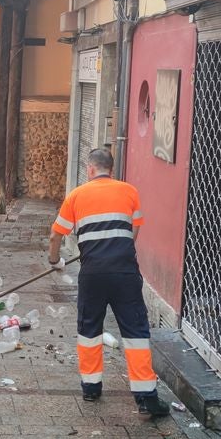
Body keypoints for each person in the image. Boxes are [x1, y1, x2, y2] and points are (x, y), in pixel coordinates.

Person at [48, 148, 171, 416]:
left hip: (92, 273)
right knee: (135, 331)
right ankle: (145, 397)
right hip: (125, 272)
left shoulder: (76, 195)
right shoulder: (129, 191)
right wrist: (118, 248)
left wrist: (54, 261)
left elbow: (56, 235)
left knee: (89, 328)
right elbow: (134, 228)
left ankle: (91, 388)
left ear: (90, 169)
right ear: (110, 170)